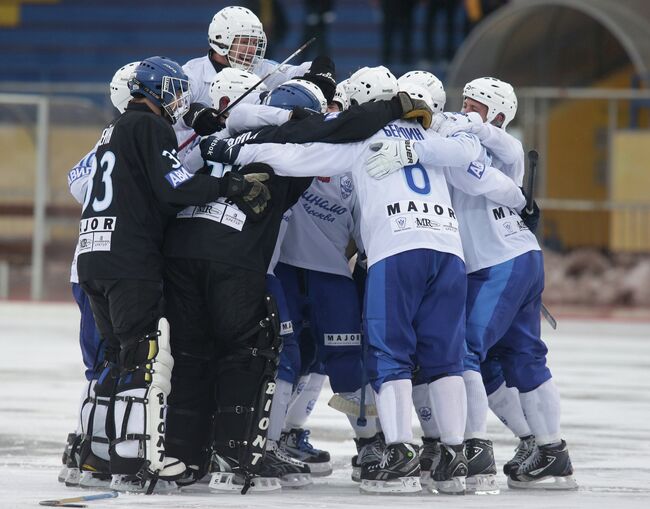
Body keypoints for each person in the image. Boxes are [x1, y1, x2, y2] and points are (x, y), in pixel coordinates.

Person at [199, 66, 483, 495]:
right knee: (446, 360)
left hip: (397, 249)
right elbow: (470, 153)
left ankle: (400, 452)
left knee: (391, 358)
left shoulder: (361, 140)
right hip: (448, 252)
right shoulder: (433, 139)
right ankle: (454, 455)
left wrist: (232, 153)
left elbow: (299, 156)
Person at [76, 55, 270, 494]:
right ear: (157, 89)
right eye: (175, 89)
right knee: (141, 356)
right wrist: (231, 186)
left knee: (112, 356)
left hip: (93, 252)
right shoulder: (149, 126)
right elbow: (174, 187)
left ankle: (96, 454)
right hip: (130, 259)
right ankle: (134, 460)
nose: (181, 99)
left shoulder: (115, 129)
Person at [408, 76, 577, 491]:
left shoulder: (502, 146)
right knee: (517, 359)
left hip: (498, 264)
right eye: (463, 101)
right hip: (513, 261)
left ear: (498, 115)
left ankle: (473, 446)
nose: (466, 110)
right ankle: (547, 449)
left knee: (462, 351)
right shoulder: (462, 143)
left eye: (476, 105)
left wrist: (462, 125)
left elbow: (489, 158)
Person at [58, 61, 140, 490]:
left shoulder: (105, 141)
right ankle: (92, 447)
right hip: (109, 261)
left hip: (88, 259)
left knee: (106, 359)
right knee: (111, 358)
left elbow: (76, 182)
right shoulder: (134, 139)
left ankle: (89, 444)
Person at [176, 5, 311, 146]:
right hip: (192, 159)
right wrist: (195, 114)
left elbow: (296, 72)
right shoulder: (191, 73)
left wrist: (319, 67)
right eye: (245, 42)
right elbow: (172, 109)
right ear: (221, 41)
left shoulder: (262, 68)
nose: (252, 49)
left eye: (255, 42)